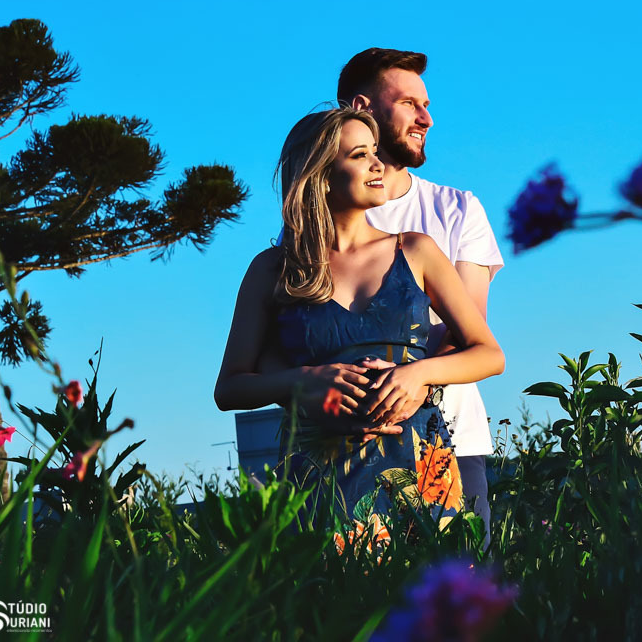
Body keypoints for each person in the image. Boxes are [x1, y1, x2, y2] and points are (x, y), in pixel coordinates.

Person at [213, 109, 504, 546]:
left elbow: (488, 353)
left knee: (439, 603)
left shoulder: (417, 250)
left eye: (375, 152)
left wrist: (419, 373)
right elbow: (229, 388)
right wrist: (302, 381)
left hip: (421, 470)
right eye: (359, 155)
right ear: (321, 175)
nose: (377, 164)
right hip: (320, 476)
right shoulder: (272, 269)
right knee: (337, 608)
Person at [336, 48, 504, 538]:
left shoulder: (456, 210)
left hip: (448, 440)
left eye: (426, 104)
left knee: (459, 597)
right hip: (343, 449)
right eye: (410, 103)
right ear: (363, 109)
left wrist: (406, 379)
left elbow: (468, 329)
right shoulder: (313, 223)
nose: (426, 118)